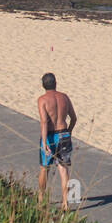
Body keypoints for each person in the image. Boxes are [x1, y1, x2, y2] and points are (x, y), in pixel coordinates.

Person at [37, 72, 76, 207]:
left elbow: (44, 122)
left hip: (50, 135)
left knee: (44, 167)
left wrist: (43, 141)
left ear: (43, 85)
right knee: (63, 169)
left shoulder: (42, 100)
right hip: (64, 133)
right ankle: (65, 203)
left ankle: (41, 199)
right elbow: (74, 118)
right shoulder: (64, 97)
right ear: (56, 83)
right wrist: (68, 132)